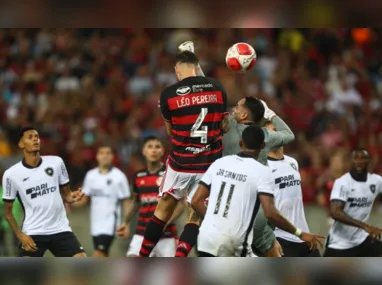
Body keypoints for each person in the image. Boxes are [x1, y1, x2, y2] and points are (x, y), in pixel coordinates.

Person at [138, 49, 228, 257]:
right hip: (209, 164)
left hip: (180, 163)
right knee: (195, 216)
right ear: (197, 67)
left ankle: (142, 257)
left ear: (177, 70)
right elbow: (224, 125)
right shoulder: (217, 87)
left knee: (162, 210)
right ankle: (180, 258)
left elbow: (170, 131)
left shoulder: (168, 94)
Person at [191, 125, 325, 257]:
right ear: (263, 145)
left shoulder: (220, 163)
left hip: (206, 239)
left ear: (241, 143)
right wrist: (300, 234)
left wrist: (214, 222)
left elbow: (196, 201)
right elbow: (270, 213)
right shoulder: (261, 171)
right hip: (235, 242)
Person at [1, 126, 86, 257]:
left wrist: (73, 196)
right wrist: (20, 235)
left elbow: (67, 195)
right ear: (21, 144)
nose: (35, 139)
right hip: (33, 232)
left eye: (37, 137)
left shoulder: (56, 162)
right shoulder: (11, 174)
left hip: (60, 229)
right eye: (30, 137)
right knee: (25, 272)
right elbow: (7, 212)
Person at [116, 136, 185, 257]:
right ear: (144, 151)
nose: (154, 150)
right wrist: (125, 222)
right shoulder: (138, 176)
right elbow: (136, 202)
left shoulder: (171, 175)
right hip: (141, 234)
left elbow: (180, 205)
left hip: (166, 237)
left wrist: (165, 223)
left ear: (163, 151)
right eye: (150, 147)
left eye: (157, 147)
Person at [265, 121, 320, 257]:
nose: (275, 135)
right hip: (281, 238)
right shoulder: (263, 167)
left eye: (276, 131)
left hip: (304, 235)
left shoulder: (292, 162)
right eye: (269, 133)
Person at [74, 145, 131, 257]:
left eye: (108, 153)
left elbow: (126, 201)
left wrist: (126, 223)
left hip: (110, 224)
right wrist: (71, 203)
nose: (105, 156)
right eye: (102, 153)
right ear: (97, 156)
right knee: (104, 255)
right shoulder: (91, 176)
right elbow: (84, 199)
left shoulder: (119, 177)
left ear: (112, 156)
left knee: (98, 254)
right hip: (95, 225)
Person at [324, 148, 382, 257]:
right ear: (350, 161)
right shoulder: (342, 183)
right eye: (355, 158)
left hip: (362, 241)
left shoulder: (376, 181)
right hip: (339, 244)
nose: (359, 161)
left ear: (369, 161)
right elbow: (335, 212)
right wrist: (365, 226)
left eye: (363, 158)